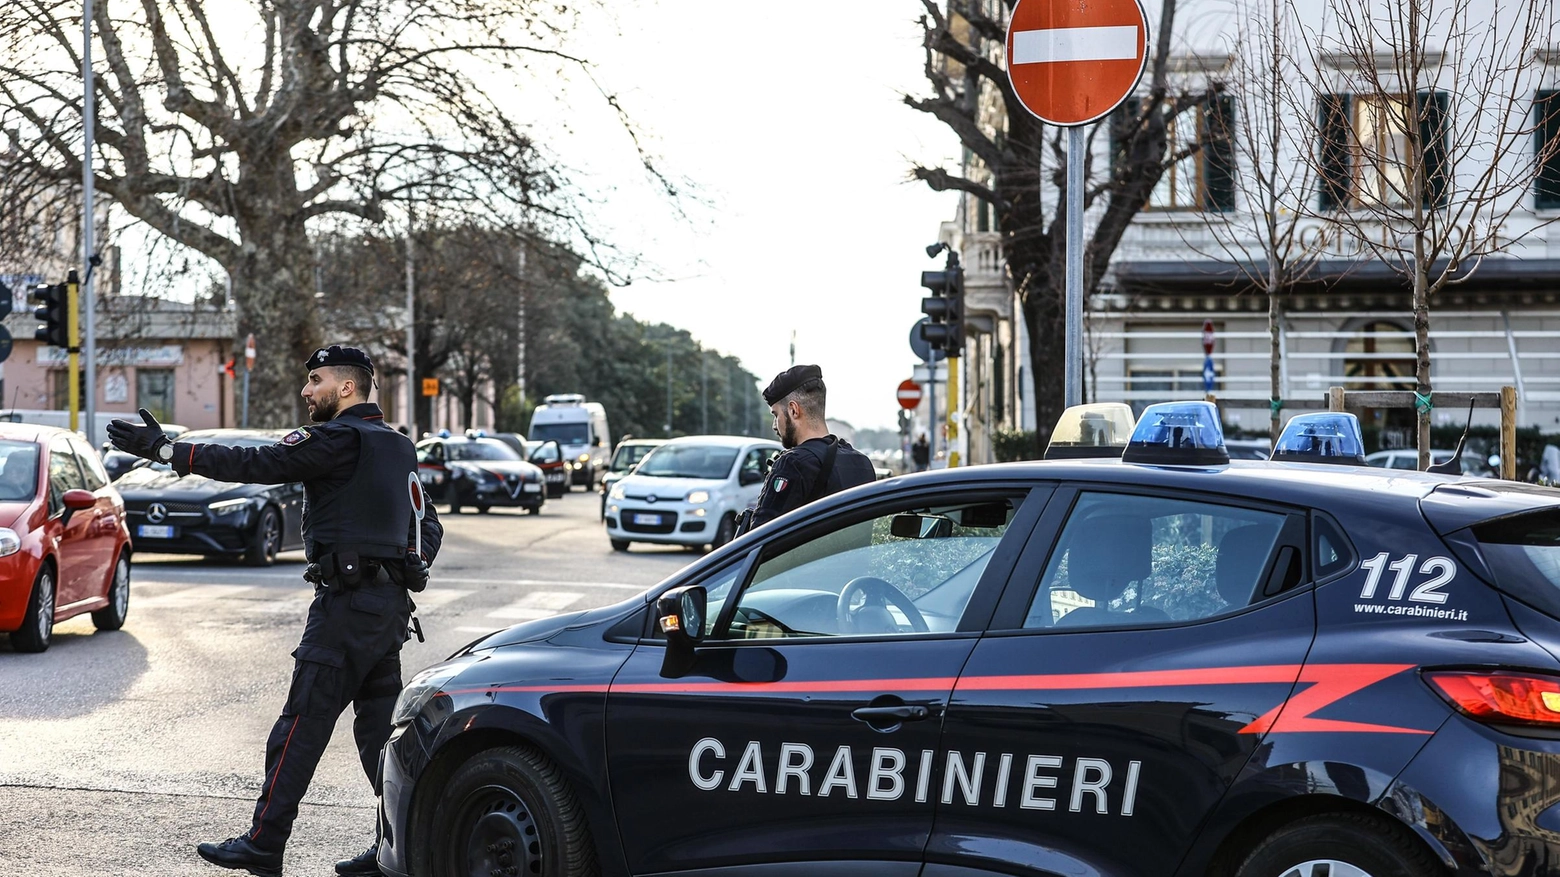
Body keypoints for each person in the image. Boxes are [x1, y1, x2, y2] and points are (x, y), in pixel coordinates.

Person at [107, 345, 443, 877]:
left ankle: (264, 844)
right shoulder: (397, 446)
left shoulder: (337, 438)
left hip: (346, 607)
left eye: (316, 380)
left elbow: (257, 462)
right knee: (379, 737)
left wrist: (167, 450)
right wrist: (413, 563)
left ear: (348, 388)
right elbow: (429, 521)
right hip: (388, 613)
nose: (307, 391)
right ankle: (402, 850)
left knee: (300, 727)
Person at [739, 364, 875, 534]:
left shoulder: (792, 463)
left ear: (794, 410)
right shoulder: (862, 463)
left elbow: (758, 539)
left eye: (776, 415)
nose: (775, 426)